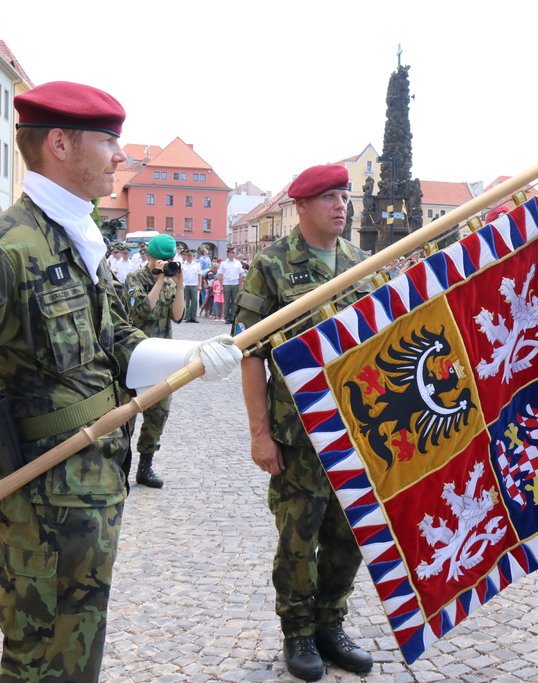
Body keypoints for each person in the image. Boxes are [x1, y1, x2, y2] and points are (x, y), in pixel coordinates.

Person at [0, 81, 241, 680]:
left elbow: (114, 345)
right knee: (39, 661)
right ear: (61, 144)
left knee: (77, 655)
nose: (121, 156)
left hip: (92, 485)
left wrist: (194, 358)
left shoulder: (74, 237)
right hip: (42, 495)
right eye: (108, 140)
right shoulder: (6, 249)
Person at [237, 164, 373, 682]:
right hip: (298, 436)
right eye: (329, 197)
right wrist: (259, 433)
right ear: (302, 206)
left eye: (344, 196)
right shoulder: (271, 266)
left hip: (358, 426)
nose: (341, 205)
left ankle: (330, 624)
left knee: (350, 533)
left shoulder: (362, 262)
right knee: (299, 535)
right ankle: (297, 630)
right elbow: (249, 354)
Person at [125, 234, 186, 488]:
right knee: (126, 414)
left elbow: (178, 316)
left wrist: (180, 284)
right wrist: (159, 280)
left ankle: (145, 466)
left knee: (158, 414)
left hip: (161, 357)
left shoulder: (172, 284)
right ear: (149, 256)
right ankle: (120, 464)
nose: (166, 263)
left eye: (170, 259)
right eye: (162, 259)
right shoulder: (134, 279)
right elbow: (145, 310)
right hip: (135, 355)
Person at [217, 246, 245, 325]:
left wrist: (240, 285)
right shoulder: (223, 263)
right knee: (226, 302)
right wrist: (221, 285)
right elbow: (220, 275)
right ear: (228, 253)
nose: (233, 254)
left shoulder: (238, 263)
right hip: (227, 283)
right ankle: (227, 317)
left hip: (235, 283)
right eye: (232, 253)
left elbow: (240, 275)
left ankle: (233, 317)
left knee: (234, 301)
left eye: (234, 253)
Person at [180, 248, 201, 323]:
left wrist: (199, 285)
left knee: (195, 301)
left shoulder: (197, 264)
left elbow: (199, 275)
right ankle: (187, 316)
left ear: (193, 256)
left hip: (194, 284)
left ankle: (193, 316)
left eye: (191, 256)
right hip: (185, 285)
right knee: (186, 301)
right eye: (188, 256)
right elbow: (180, 275)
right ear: (186, 256)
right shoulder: (183, 264)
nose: (189, 257)